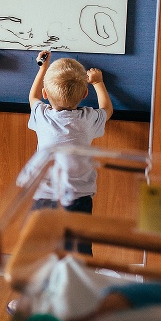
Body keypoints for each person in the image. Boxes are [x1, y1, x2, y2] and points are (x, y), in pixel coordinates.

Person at [26, 51, 113, 246]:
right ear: (84, 93)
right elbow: (107, 110)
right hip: (79, 196)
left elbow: (32, 96)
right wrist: (98, 82)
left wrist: (43, 67)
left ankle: (45, 274)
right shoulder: (87, 120)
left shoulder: (42, 116)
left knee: (42, 246)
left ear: (45, 94)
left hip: (44, 194)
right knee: (78, 247)